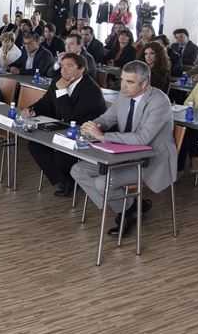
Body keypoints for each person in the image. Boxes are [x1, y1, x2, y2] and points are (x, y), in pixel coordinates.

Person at [72, 61, 177, 238]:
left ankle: (126, 212)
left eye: (130, 82)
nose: (123, 86)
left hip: (152, 160)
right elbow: (107, 119)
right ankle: (129, 208)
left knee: (102, 183)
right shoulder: (124, 95)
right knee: (78, 170)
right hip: (124, 155)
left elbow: (142, 138)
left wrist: (103, 137)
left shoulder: (160, 102)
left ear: (144, 84)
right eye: (122, 80)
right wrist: (92, 126)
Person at [22, 53, 107, 196]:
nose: (64, 70)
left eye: (69, 66)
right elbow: (46, 102)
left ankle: (69, 183)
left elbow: (71, 118)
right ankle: (62, 180)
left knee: (61, 150)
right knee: (35, 145)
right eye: (62, 66)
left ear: (81, 69)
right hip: (63, 128)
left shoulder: (91, 89)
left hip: (83, 133)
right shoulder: (58, 81)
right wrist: (32, 109)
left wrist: (61, 91)